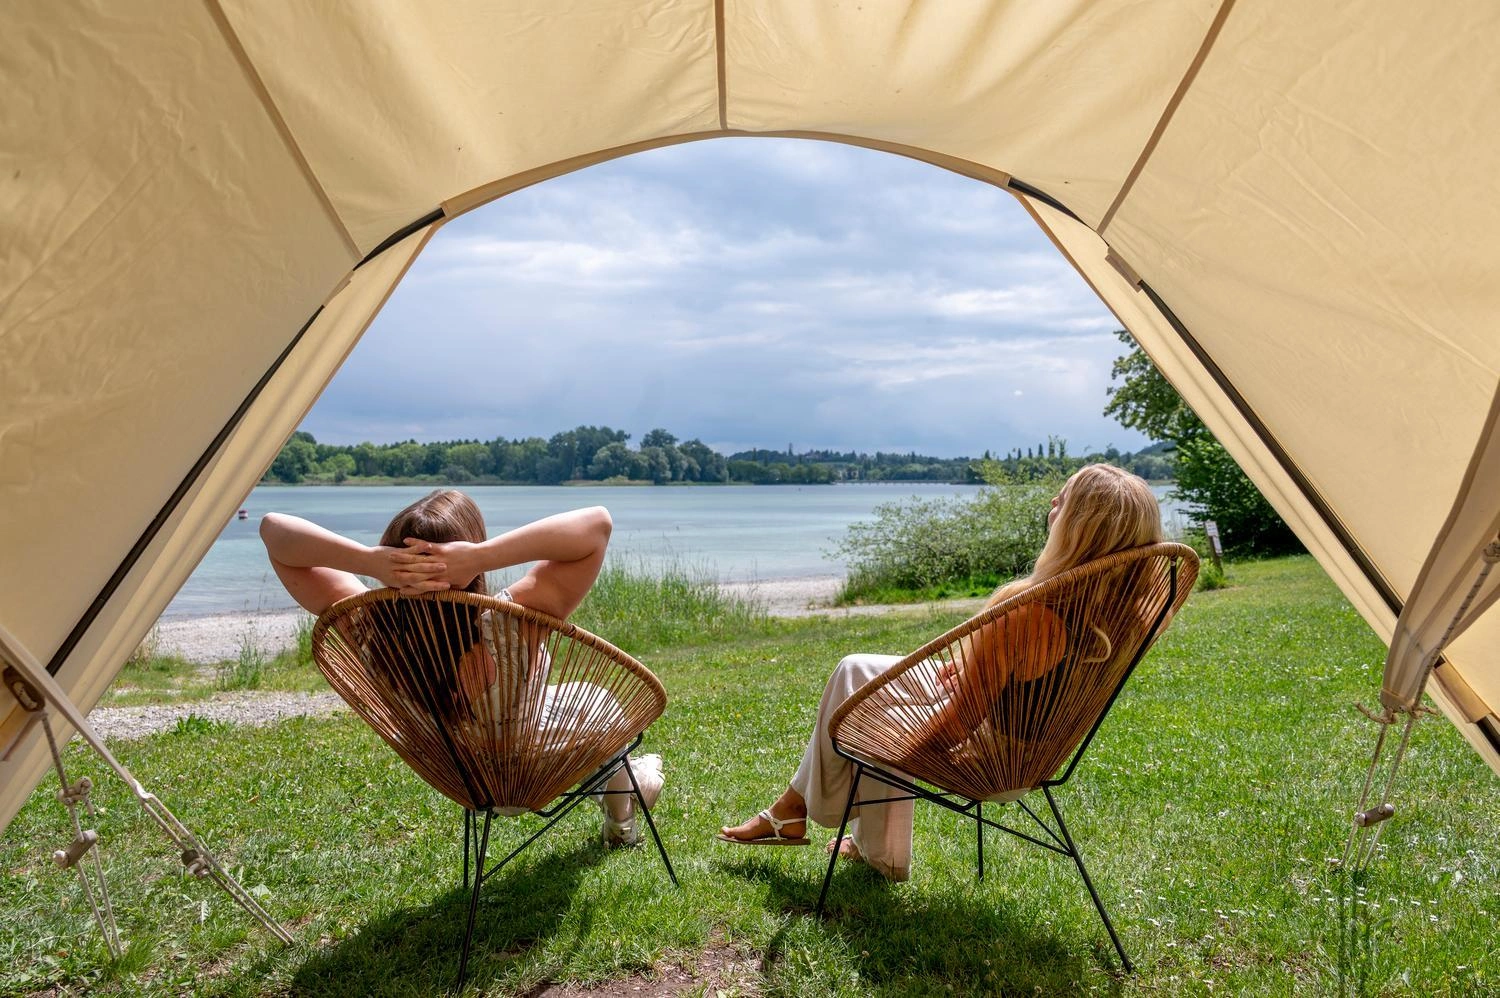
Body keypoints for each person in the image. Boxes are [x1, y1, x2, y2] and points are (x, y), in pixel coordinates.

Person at [716, 464, 1163, 881]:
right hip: (1032, 749)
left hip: (993, 760)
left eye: (1061, 501)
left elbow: (952, 730)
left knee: (860, 712)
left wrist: (879, 741)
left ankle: (815, 823)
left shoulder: (1029, 617)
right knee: (855, 670)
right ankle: (805, 815)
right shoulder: (1131, 617)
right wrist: (978, 671)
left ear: (1079, 529)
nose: (1051, 504)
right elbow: (1040, 686)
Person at [259, 489, 663, 847]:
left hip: (458, 773)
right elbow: (597, 525)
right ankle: (622, 815)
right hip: (533, 769)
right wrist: (480, 557)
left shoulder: (368, 629)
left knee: (563, 696)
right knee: (600, 703)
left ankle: (628, 785)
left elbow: (273, 531)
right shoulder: (510, 623)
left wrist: (370, 562)